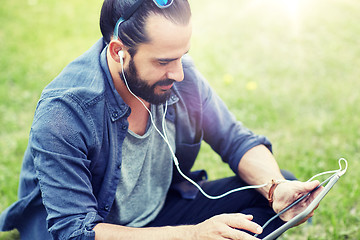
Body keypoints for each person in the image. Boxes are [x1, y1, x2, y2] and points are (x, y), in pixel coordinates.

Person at [0, 0, 322, 239]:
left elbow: (235, 141)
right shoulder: (65, 111)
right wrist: (192, 235)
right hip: (96, 231)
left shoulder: (182, 77)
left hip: (157, 217)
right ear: (118, 52)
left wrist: (275, 187)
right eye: (165, 61)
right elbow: (75, 232)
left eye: (182, 56)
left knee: (269, 196)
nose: (179, 73)